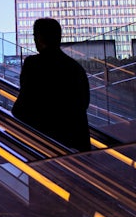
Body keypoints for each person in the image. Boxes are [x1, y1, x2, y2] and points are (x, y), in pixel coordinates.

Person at [12, 17, 92, 152]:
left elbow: (26, 102)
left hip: (44, 141)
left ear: (40, 38)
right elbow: (84, 103)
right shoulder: (74, 67)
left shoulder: (33, 64)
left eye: (35, 35)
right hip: (75, 141)